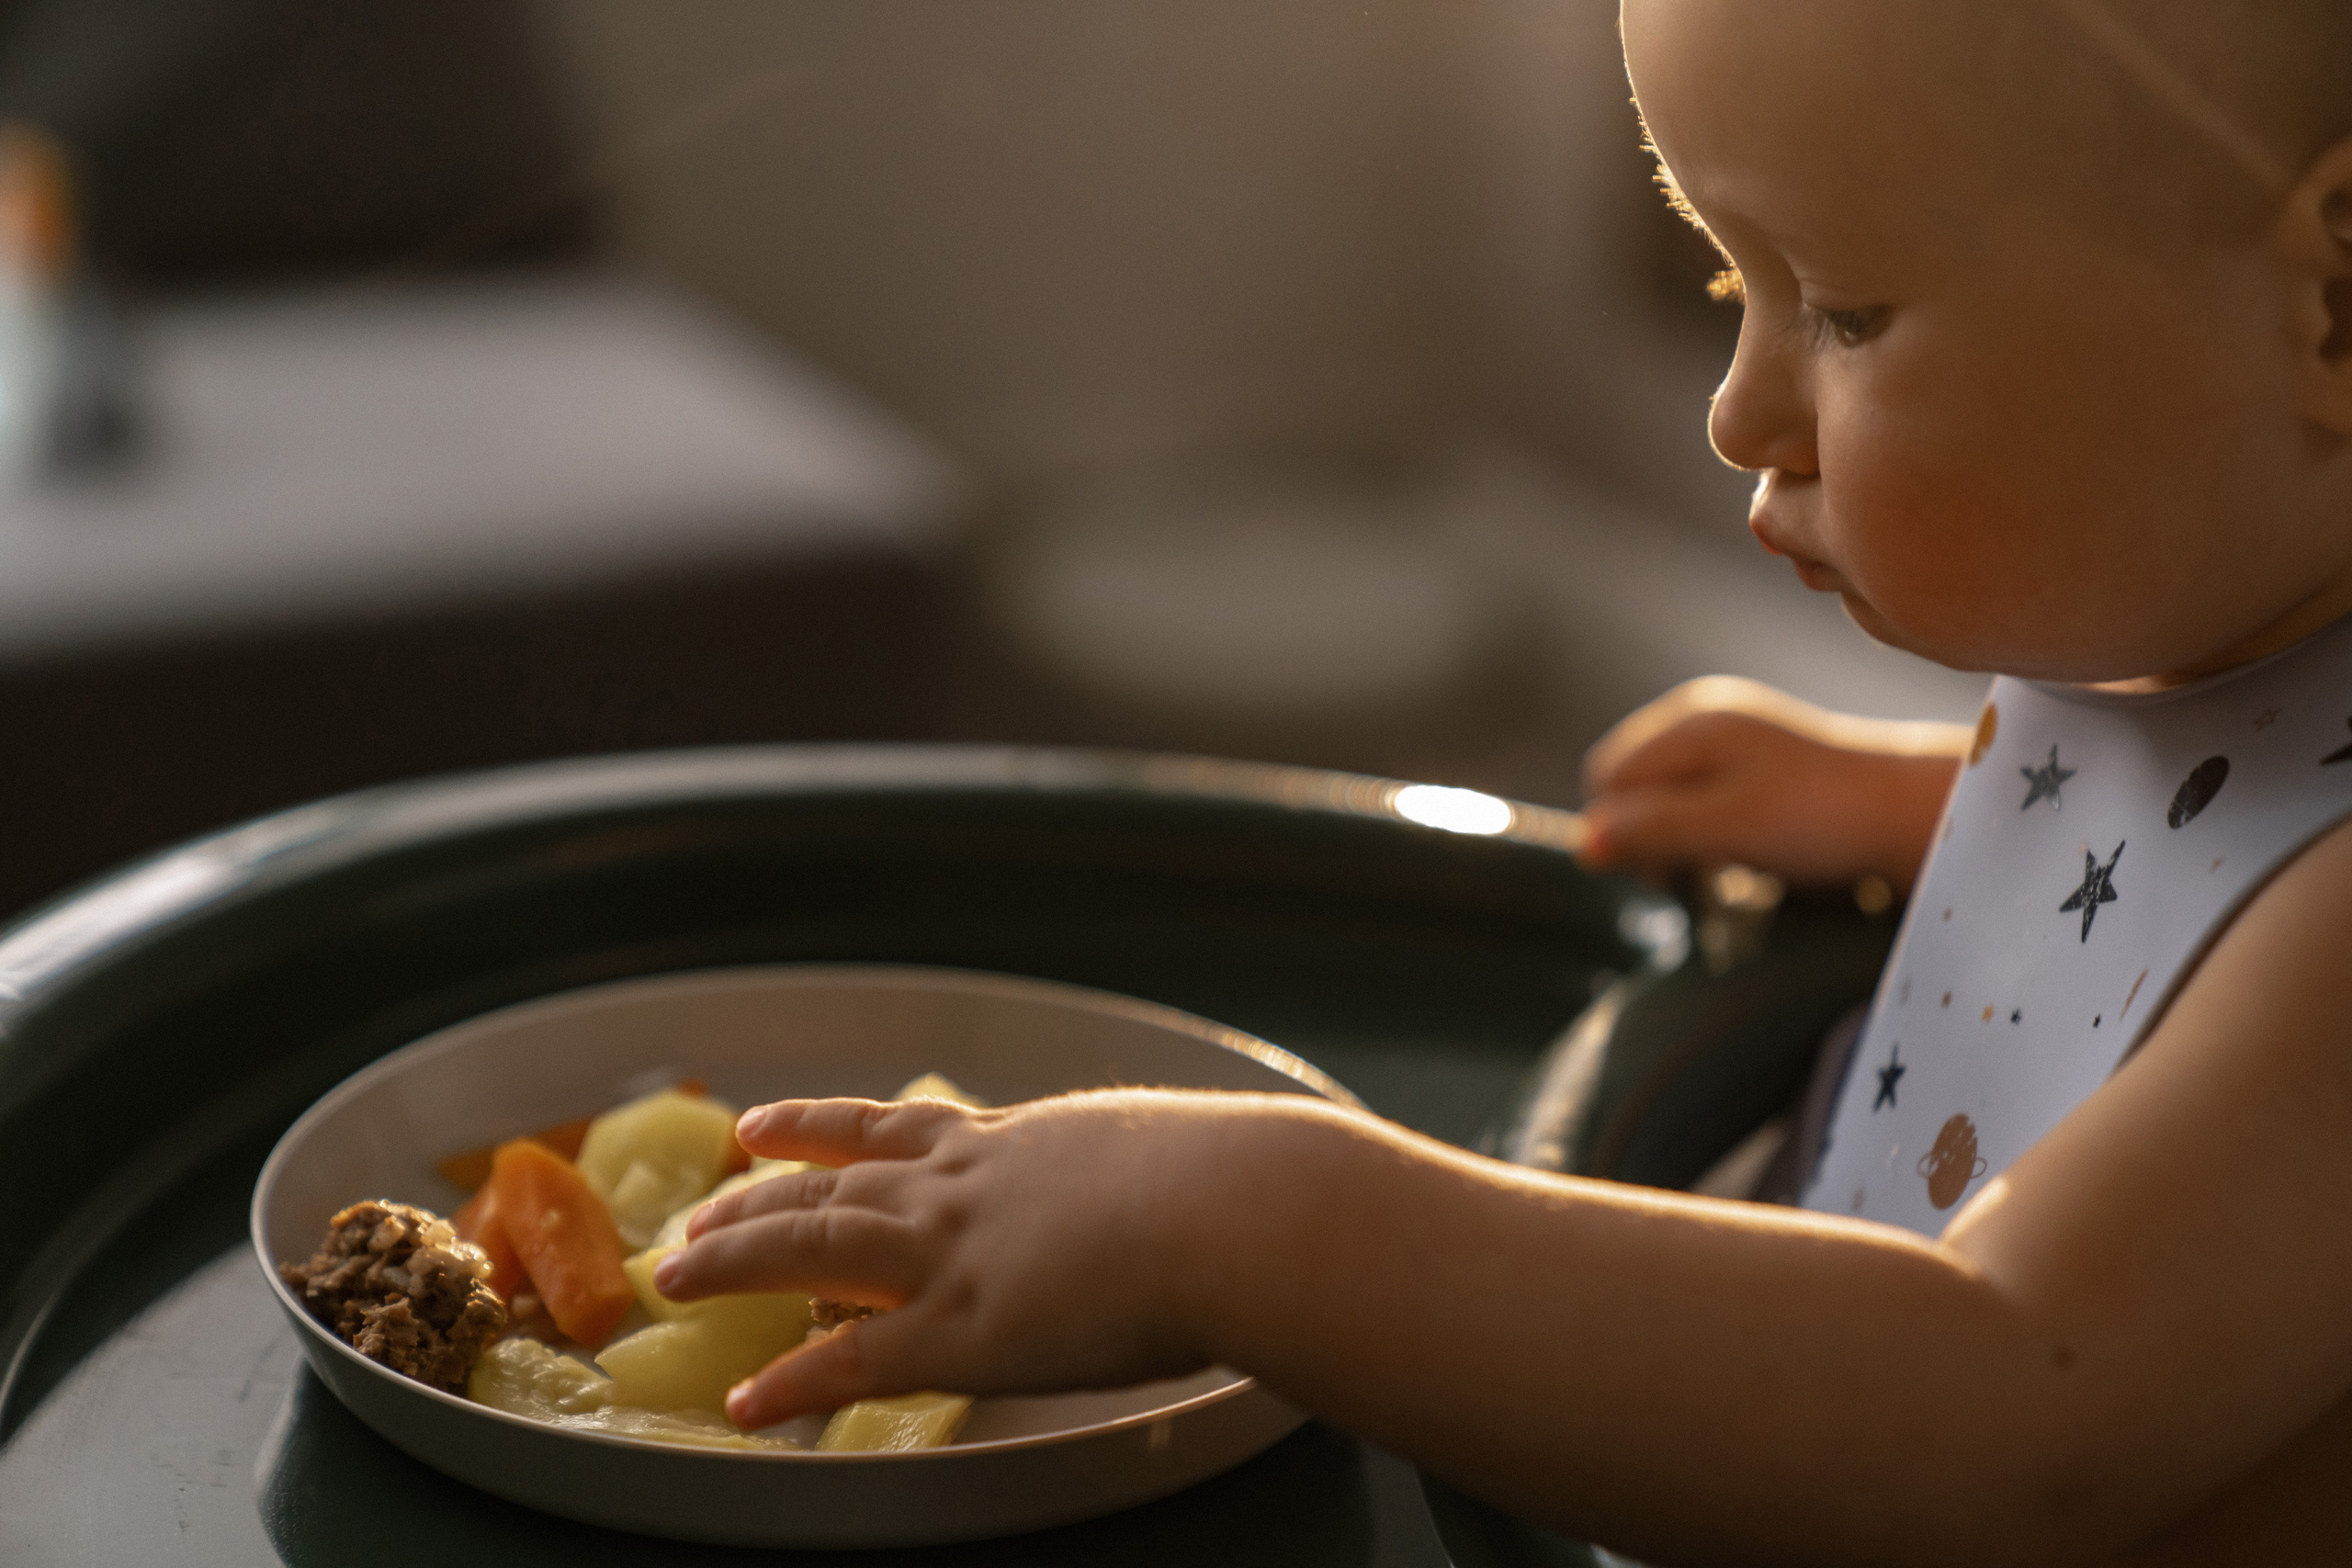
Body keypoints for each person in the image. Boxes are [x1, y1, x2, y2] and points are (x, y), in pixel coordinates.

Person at [657, 3, 2352, 1561]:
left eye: (1839, 307)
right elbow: (2214, 875)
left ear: (2334, 309)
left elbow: (1991, 1412)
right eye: (1724, 288)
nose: (1739, 411)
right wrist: (1925, 806)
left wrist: (1249, 1223)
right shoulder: (2199, 614)